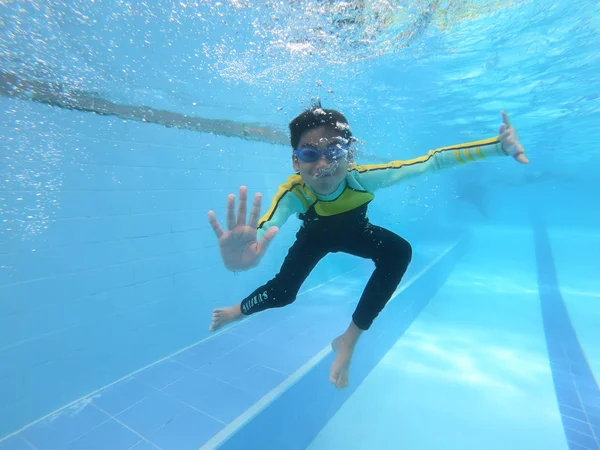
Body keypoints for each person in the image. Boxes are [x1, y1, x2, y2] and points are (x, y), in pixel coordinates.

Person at [207, 103, 528, 389]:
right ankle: (238, 309)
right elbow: (265, 227)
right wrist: (242, 259)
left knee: (399, 251)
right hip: (314, 238)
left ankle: (349, 339)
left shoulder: (362, 178)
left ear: (350, 154)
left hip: (356, 231)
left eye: (333, 151)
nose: (322, 165)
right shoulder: (295, 193)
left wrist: (495, 147)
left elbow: (431, 162)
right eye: (309, 153)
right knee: (283, 292)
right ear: (295, 161)